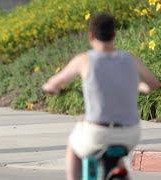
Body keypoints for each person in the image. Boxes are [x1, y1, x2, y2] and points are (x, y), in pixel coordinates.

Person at [42, 13, 161, 180]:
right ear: (114, 35)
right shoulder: (130, 59)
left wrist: (50, 87)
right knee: (118, 160)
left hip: (97, 133)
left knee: (73, 145)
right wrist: (139, 87)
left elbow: (55, 83)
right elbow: (154, 84)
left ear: (90, 35)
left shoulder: (84, 60)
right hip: (130, 133)